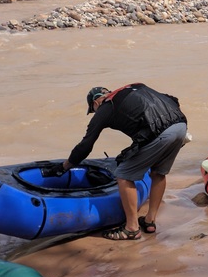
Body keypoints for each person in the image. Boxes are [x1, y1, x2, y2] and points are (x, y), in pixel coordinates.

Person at [43, 83, 187, 240]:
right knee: (158, 173)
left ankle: (131, 228)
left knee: (124, 175)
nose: (95, 113)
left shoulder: (106, 107)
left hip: (160, 132)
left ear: (96, 102)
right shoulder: (133, 88)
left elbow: (86, 145)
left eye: (93, 110)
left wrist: (65, 166)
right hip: (180, 125)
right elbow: (172, 99)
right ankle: (150, 221)